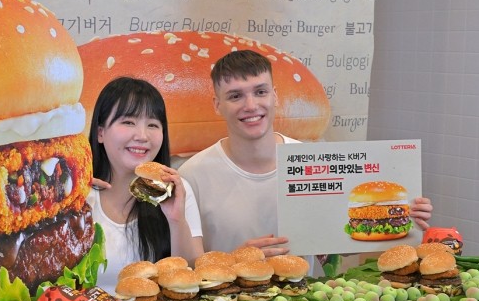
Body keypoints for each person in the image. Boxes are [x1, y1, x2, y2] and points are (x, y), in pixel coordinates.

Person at [178, 50, 433, 271]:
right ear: (217, 105)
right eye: (235, 96)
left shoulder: (312, 162)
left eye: (260, 92)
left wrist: (398, 216)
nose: (251, 105)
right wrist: (235, 261)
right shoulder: (192, 175)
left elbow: (342, 246)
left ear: (275, 97)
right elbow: (186, 265)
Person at [88, 77, 203, 292]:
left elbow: (191, 276)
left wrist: (176, 219)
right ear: (100, 132)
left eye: (152, 125)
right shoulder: (76, 196)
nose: (142, 136)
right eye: (128, 122)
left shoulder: (178, 189)